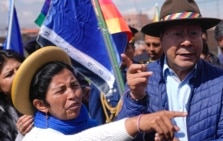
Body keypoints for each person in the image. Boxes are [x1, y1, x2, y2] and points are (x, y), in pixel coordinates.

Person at [117, 0, 223, 140]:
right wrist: (135, 99)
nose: (187, 42)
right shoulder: (142, 78)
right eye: (177, 34)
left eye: (194, 34)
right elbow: (122, 134)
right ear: (162, 39)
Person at [11, 46, 187, 141]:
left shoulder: (88, 123)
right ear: (41, 105)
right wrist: (138, 122)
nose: (73, 94)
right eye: (61, 90)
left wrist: (136, 96)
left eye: (74, 85)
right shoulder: (37, 136)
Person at [0, 48, 32, 141]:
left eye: (20, 68)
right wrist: (21, 136)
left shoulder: (48, 97)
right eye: (9, 74)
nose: (18, 74)